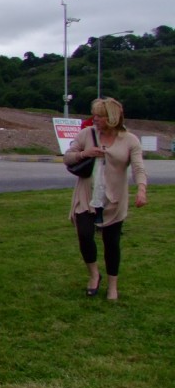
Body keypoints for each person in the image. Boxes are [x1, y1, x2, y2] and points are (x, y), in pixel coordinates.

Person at [63, 97, 148, 301]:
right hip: (87, 196)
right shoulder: (87, 134)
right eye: (94, 114)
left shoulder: (130, 140)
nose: (95, 119)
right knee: (84, 235)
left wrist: (142, 190)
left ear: (111, 118)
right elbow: (67, 156)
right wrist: (85, 153)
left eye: (99, 116)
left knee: (112, 243)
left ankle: (112, 286)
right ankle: (94, 275)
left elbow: (138, 168)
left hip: (114, 200)